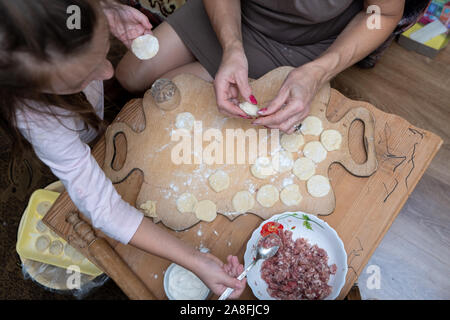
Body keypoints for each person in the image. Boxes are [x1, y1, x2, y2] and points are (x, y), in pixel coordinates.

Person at [0, 0, 245, 298]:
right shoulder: (40, 121)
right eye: (82, 76)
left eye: (104, 49)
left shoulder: (67, 14)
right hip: (61, 120)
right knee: (84, 131)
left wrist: (106, 11)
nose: (107, 72)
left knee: (92, 117)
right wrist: (195, 260)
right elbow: (103, 208)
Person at [116, 0, 405, 134]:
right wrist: (231, 47)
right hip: (234, 10)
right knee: (129, 75)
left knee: (158, 99)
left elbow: (381, 14)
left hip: (297, 43)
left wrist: (319, 71)